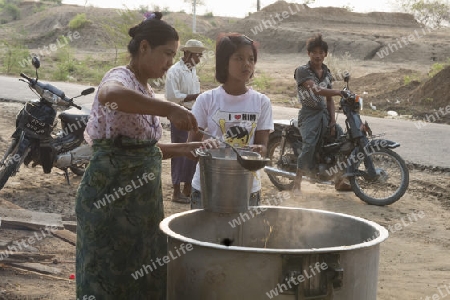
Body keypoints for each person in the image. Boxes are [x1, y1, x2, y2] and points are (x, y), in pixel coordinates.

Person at [75, 12, 218, 299]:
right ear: (143, 47)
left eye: (173, 55)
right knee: (108, 275)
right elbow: (109, 95)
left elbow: (142, 151)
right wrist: (169, 109)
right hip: (111, 201)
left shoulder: (145, 89)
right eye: (167, 53)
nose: (170, 62)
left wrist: (184, 149)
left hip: (142, 206)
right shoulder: (121, 77)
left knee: (142, 275)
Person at [188, 33, 274, 209]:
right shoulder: (206, 100)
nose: (247, 64)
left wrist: (259, 150)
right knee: (205, 237)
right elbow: (191, 147)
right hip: (208, 188)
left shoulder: (261, 102)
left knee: (242, 237)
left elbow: (263, 148)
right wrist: (204, 145)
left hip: (247, 190)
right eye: (239, 58)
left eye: (251, 59)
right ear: (224, 62)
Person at [292, 33, 351, 195]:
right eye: (314, 52)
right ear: (308, 54)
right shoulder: (302, 71)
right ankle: (297, 183)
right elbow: (317, 90)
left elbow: (329, 99)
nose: (317, 55)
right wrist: (339, 91)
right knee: (309, 143)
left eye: (321, 52)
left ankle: (339, 179)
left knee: (341, 141)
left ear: (325, 54)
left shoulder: (326, 72)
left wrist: (332, 120)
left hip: (324, 114)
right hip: (309, 114)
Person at [165, 39, 207, 203]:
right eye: (198, 55)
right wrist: (197, 96)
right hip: (179, 114)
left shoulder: (191, 70)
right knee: (178, 150)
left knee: (192, 149)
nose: (199, 59)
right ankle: (176, 190)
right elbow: (172, 96)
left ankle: (187, 187)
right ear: (189, 54)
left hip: (192, 113)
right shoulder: (175, 71)